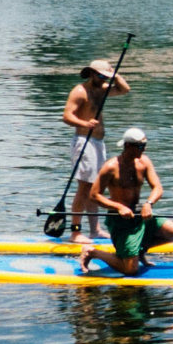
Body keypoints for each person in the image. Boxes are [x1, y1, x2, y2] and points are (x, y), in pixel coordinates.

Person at [78, 129, 173, 276]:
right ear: (128, 146)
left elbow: (158, 188)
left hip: (140, 213)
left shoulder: (144, 162)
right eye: (140, 146)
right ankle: (92, 252)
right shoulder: (111, 167)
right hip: (120, 220)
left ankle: (138, 251)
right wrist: (119, 207)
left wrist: (148, 203)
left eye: (145, 145)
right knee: (131, 270)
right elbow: (94, 195)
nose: (144, 149)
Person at [62, 58, 131, 244]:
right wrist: (84, 123)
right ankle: (75, 232)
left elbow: (125, 89)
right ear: (91, 73)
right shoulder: (80, 91)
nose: (103, 79)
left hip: (98, 143)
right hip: (84, 142)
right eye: (100, 75)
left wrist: (115, 75)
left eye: (105, 76)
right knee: (84, 187)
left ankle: (95, 230)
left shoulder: (102, 89)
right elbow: (67, 116)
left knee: (96, 188)